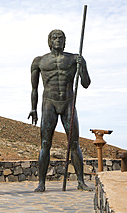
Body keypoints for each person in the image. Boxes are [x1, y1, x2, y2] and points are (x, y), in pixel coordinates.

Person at [28, 29, 92, 192]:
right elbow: (34, 89)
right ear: (49, 41)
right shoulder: (39, 61)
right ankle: (41, 183)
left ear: (65, 41)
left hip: (68, 102)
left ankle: (80, 181)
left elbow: (86, 83)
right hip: (49, 102)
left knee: (74, 143)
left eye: (61, 38)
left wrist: (82, 66)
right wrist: (33, 108)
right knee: (45, 143)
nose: (58, 40)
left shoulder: (73, 59)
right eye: (54, 37)